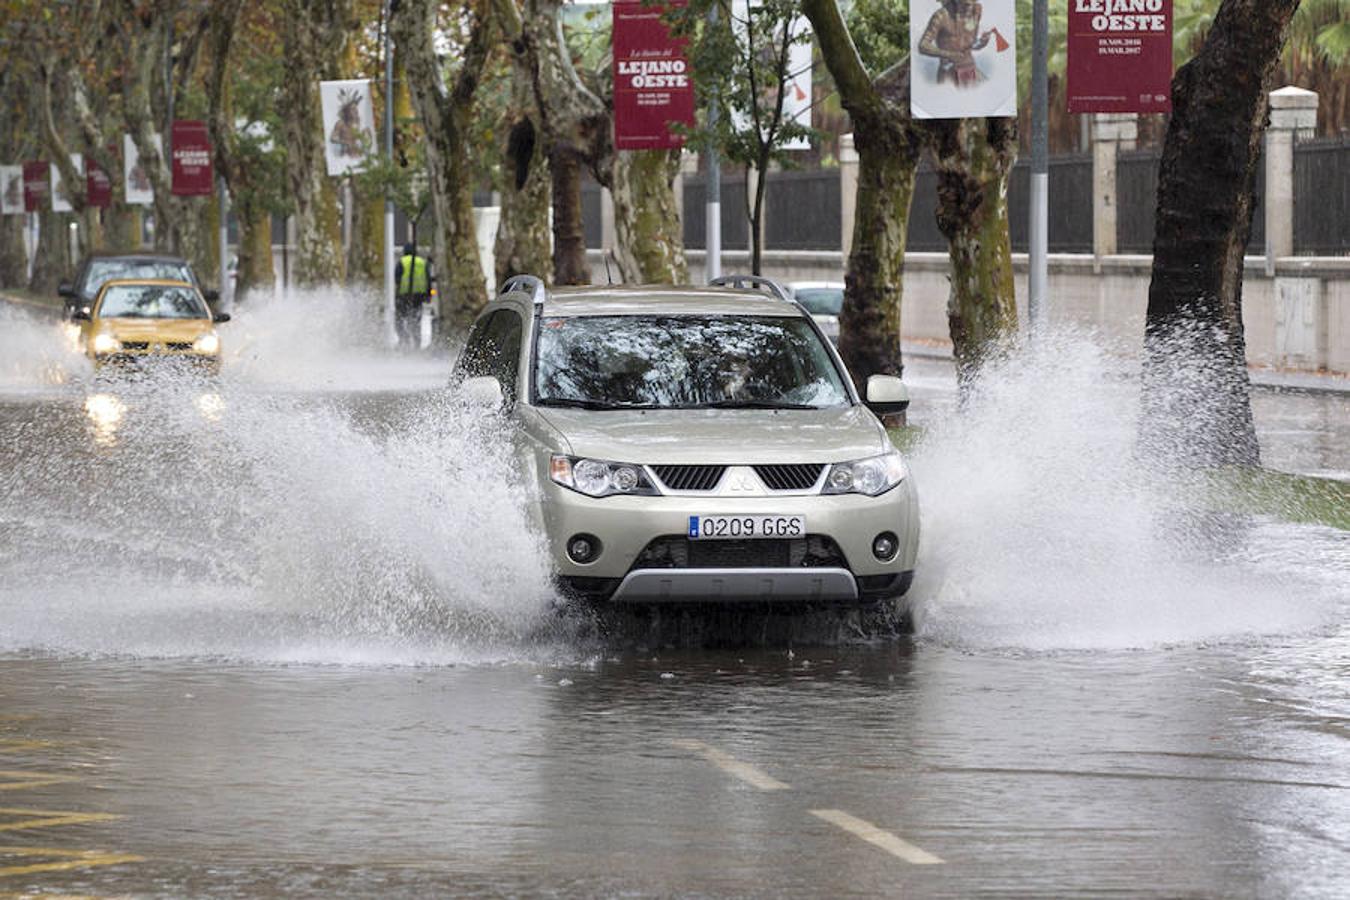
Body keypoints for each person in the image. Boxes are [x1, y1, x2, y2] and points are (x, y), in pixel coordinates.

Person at [917, 0, 991, 88]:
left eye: (972, 3)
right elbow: (923, 45)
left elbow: (971, 44)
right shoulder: (941, 16)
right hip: (949, 70)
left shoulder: (976, 11)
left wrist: (982, 42)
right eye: (966, 4)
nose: (969, 8)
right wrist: (949, 55)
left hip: (970, 68)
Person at [394, 242, 433, 349]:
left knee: (400, 318)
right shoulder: (422, 262)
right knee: (416, 319)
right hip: (419, 297)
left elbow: (397, 279)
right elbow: (428, 280)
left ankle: (404, 339)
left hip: (404, 296)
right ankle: (417, 342)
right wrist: (429, 294)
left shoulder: (402, 262)